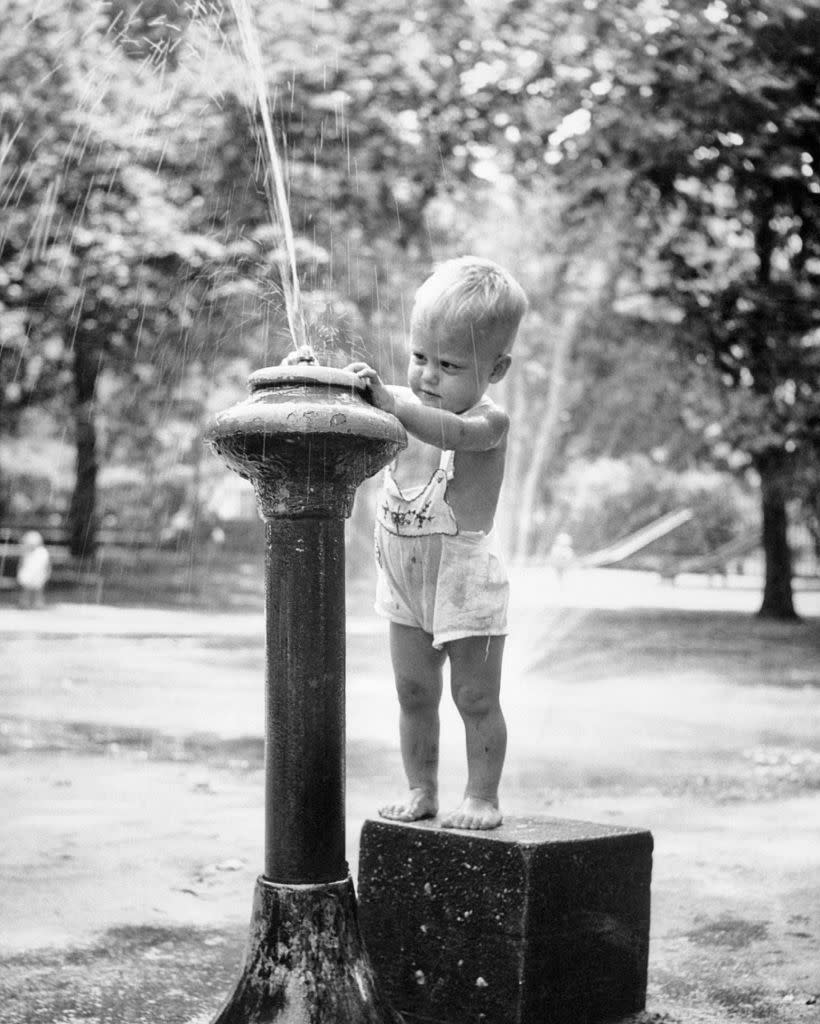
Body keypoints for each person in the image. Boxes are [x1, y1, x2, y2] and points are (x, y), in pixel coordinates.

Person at [347, 255, 528, 830]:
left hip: (463, 583)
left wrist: (392, 403)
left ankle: (481, 796)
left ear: (495, 369)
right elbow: (367, 405)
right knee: (412, 691)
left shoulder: (487, 422)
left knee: (474, 698)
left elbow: (450, 432)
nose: (426, 376)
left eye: (448, 365)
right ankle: (420, 788)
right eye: (419, 356)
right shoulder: (406, 403)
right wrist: (330, 381)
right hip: (404, 579)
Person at [16, 530, 51, 609]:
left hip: (39, 574)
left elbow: (47, 565)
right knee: (26, 590)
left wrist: (47, 573)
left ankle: (38, 604)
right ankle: (24, 603)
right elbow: (22, 563)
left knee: (38, 590)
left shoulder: (43, 552)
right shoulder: (26, 552)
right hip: (28, 574)